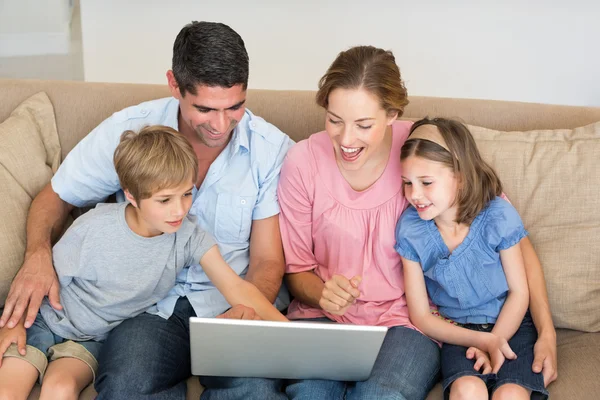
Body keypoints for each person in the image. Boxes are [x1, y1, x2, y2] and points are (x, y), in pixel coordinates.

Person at [0, 21, 293, 400]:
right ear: (174, 85)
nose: (222, 125)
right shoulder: (132, 134)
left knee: (254, 389)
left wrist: (259, 319)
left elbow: (267, 261)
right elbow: (55, 197)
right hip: (152, 312)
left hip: (229, 305)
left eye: (235, 106)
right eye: (205, 108)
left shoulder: (270, 151)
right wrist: (36, 254)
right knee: (126, 384)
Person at [277, 46, 557, 399]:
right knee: (310, 395)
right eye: (334, 120)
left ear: (392, 114)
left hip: (406, 322)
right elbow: (296, 270)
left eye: (363, 124)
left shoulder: (423, 150)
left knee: (382, 395)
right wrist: (323, 293)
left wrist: (547, 332)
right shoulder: (302, 162)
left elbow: (512, 241)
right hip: (323, 319)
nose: (346, 140)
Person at [396, 118, 548, 399]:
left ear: (461, 176)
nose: (414, 195)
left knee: (510, 394)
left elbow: (519, 292)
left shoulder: (498, 216)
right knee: (468, 390)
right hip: (459, 333)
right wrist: (479, 341)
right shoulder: (410, 230)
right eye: (407, 183)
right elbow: (420, 315)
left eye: (426, 182)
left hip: (512, 324)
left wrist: (495, 340)